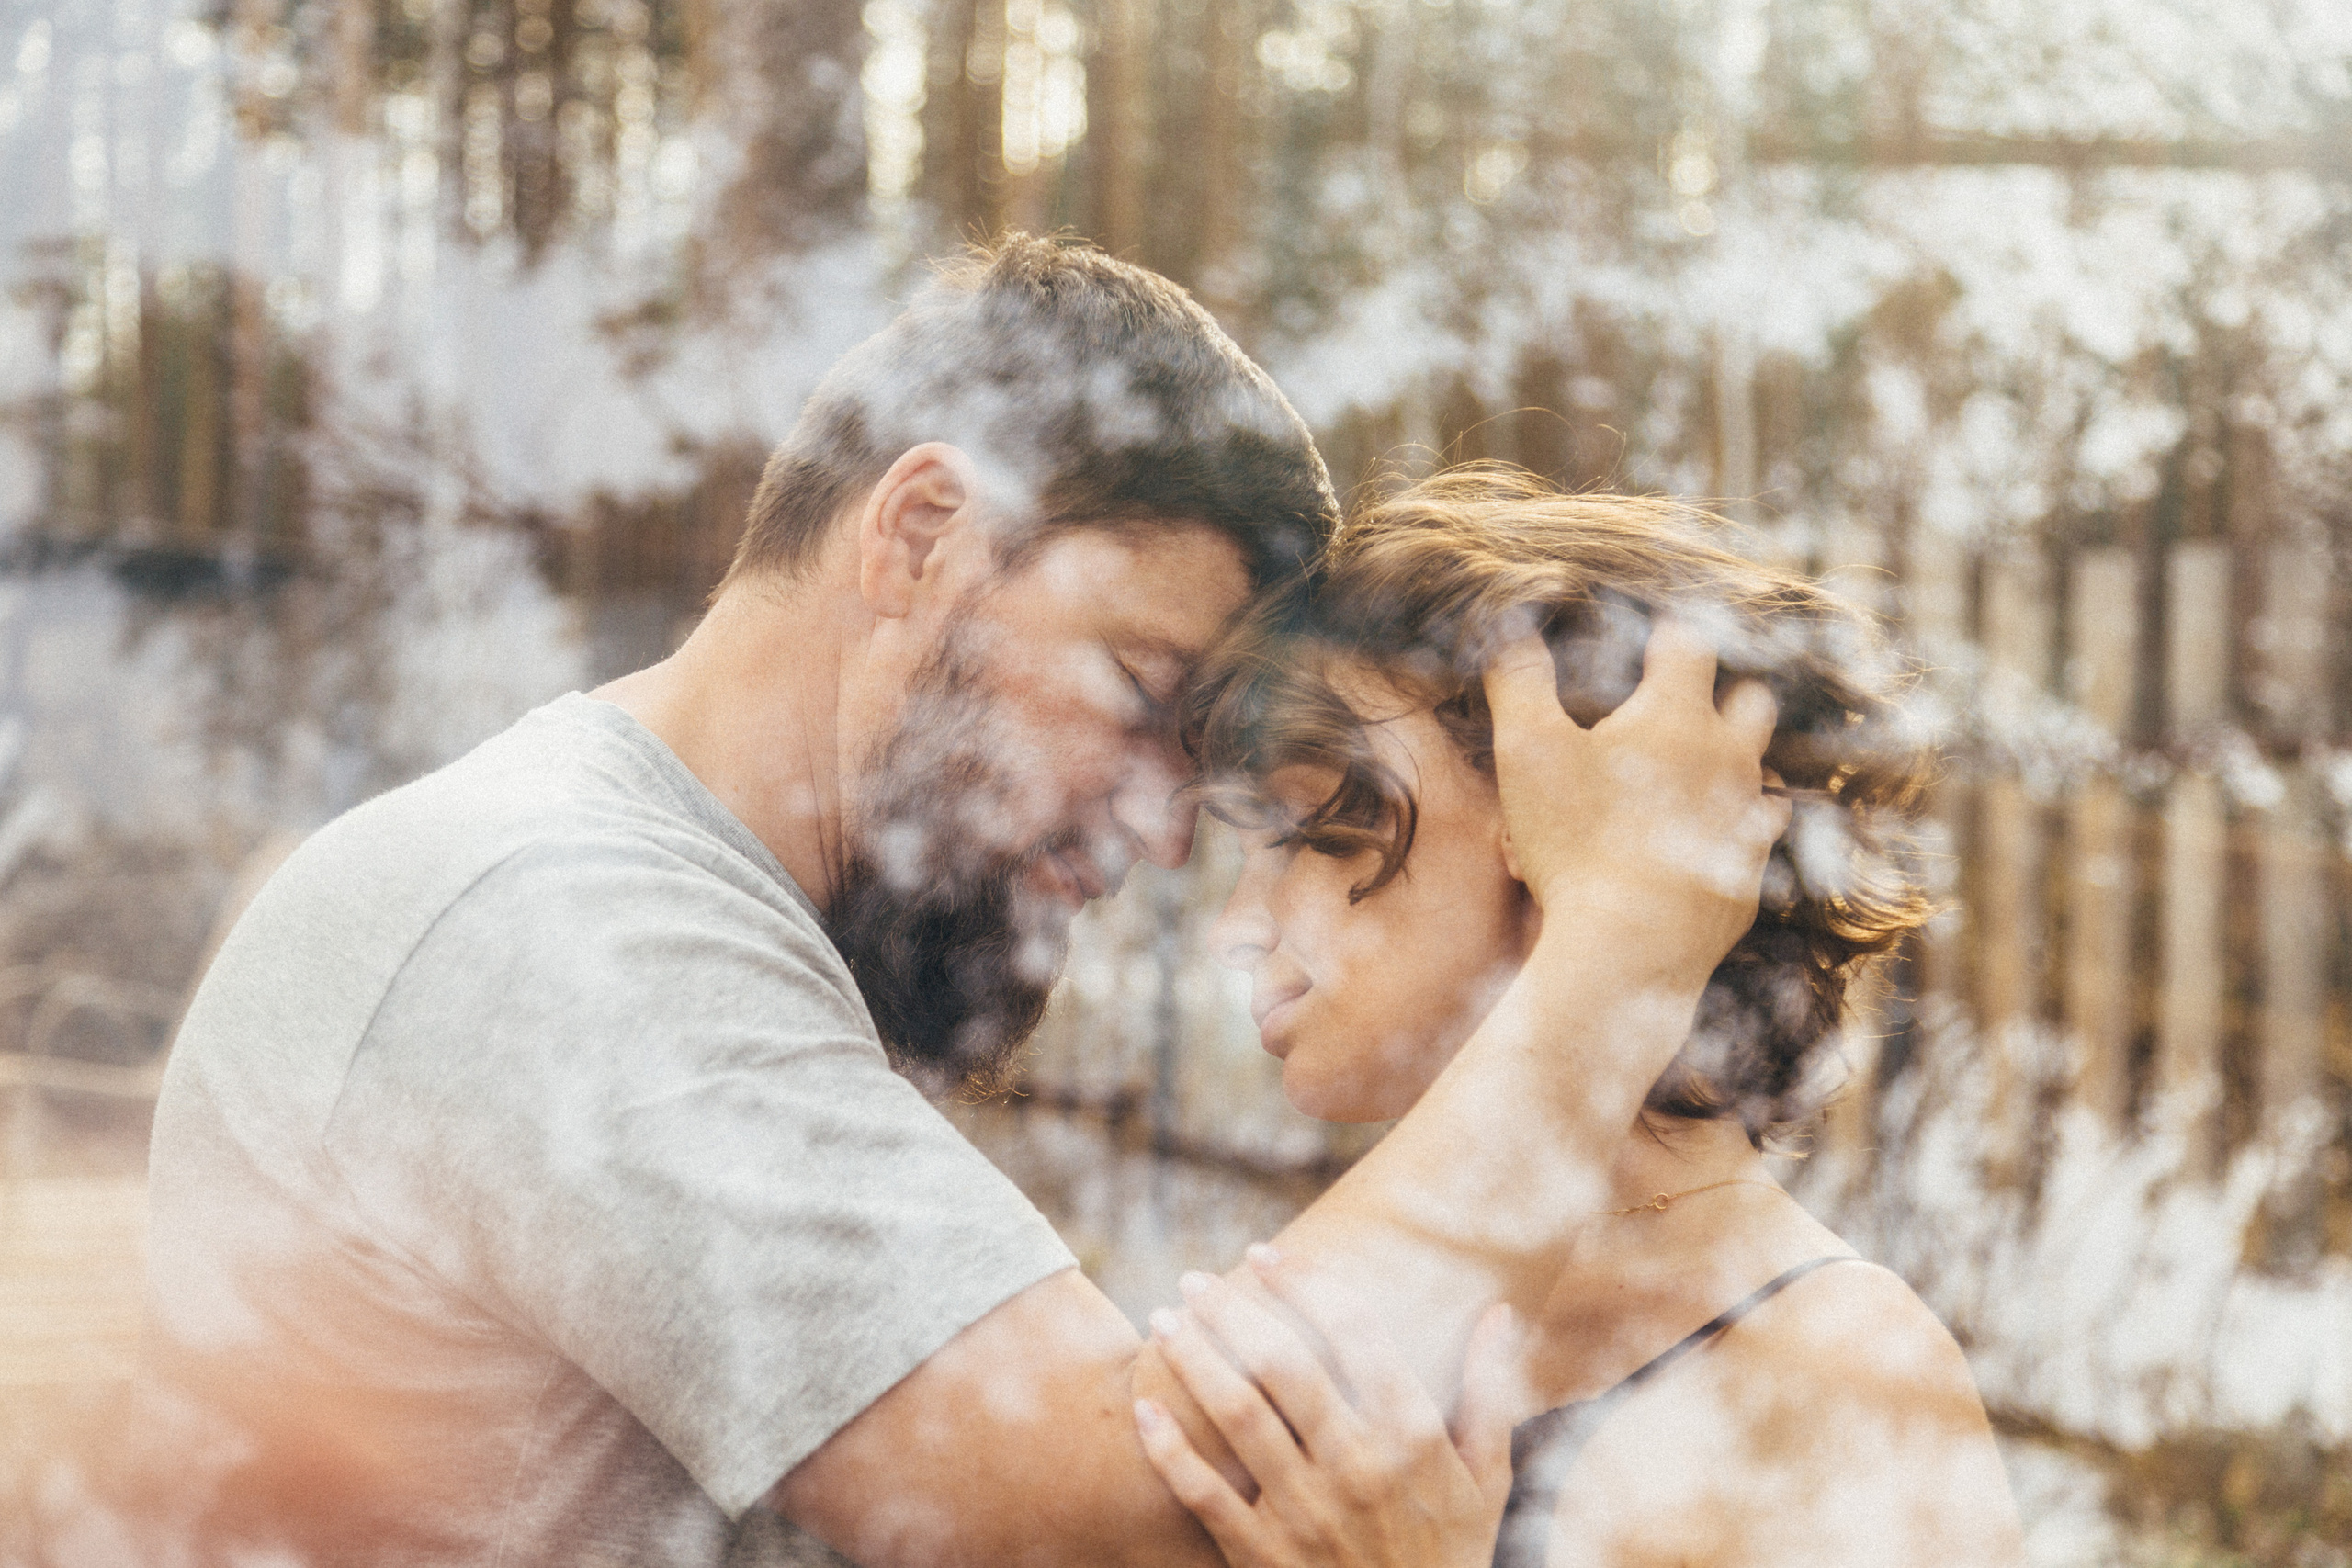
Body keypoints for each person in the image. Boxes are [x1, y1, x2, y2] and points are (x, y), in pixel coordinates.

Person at [115, 240, 1791, 1568]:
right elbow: (1135, 1509)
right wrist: (1629, 939)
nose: (1163, 832)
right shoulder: (562, 924)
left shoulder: (678, 918)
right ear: (922, 534)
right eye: (1141, 692)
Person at [1131, 466, 2025, 1567]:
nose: (1235, 930)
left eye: (1311, 832)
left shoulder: (1837, 1367)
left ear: (1577, 829)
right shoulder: (1397, 1278)